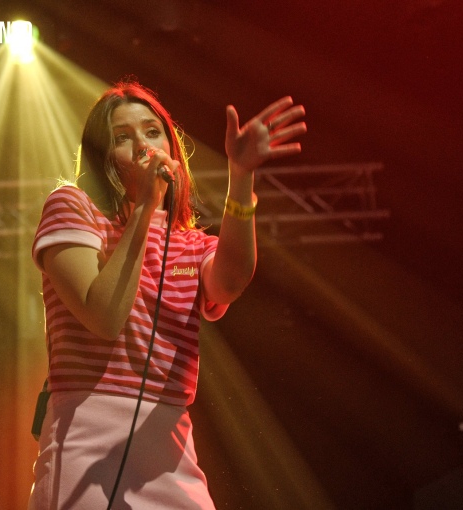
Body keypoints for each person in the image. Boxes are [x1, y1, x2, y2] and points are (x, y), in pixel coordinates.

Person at [28, 80, 306, 509]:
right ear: (104, 159)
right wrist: (144, 209)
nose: (143, 145)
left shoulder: (190, 244)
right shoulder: (72, 206)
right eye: (123, 137)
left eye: (152, 131)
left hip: (169, 449)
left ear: (172, 149)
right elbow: (104, 317)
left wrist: (241, 175)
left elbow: (231, 281)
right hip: (84, 439)